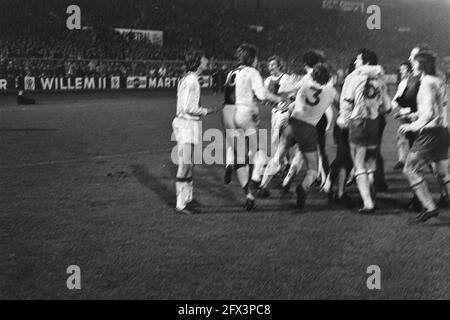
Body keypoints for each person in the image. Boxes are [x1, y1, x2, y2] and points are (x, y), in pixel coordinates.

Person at [260, 63, 337, 210]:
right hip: (309, 130)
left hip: (293, 125)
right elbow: (342, 106)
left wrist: (292, 96)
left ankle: (262, 186)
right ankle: (303, 187)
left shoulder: (306, 82)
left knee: (278, 156)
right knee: (313, 168)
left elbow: (282, 90)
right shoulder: (331, 92)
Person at [221, 43, 283, 210]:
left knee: (240, 157)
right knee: (262, 148)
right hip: (244, 112)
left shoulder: (231, 73)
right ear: (252, 58)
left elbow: (227, 96)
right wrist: (277, 99)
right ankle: (256, 180)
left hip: (229, 114)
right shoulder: (252, 72)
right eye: (256, 58)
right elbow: (262, 94)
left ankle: (248, 194)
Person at [337, 49, 391, 214]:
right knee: (370, 160)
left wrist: (343, 122)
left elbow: (346, 104)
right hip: (374, 122)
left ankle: (368, 202)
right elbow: (387, 107)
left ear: (365, 61)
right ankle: (372, 187)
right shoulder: (380, 79)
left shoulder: (353, 78)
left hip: (358, 122)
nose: (355, 62)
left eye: (358, 59)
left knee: (358, 163)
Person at [400, 51, 450, 223]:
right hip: (442, 131)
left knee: (409, 169)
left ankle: (430, 207)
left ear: (421, 65)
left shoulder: (426, 83)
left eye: (413, 62)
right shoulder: (439, 81)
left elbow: (428, 113)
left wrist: (412, 125)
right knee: (443, 173)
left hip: (429, 134)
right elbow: (437, 109)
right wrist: (414, 115)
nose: (411, 65)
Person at [172, 50, 215, 215]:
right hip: (186, 124)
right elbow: (188, 108)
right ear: (197, 62)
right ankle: (180, 205)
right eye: (204, 59)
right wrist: (207, 110)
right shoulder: (192, 81)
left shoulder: (188, 78)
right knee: (185, 164)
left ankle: (188, 198)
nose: (206, 61)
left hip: (188, 123)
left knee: (191, 163)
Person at [392, 61, 413, 170]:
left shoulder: (407, 83)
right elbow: (397, 99)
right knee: (403, 136)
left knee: (405, 137)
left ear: (410, 70)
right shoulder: (406, 82)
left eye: (403, 68)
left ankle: (404, 160)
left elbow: (397, 100)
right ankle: (403, 160)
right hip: (408, 113)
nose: (401, 71)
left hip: (409, 114)